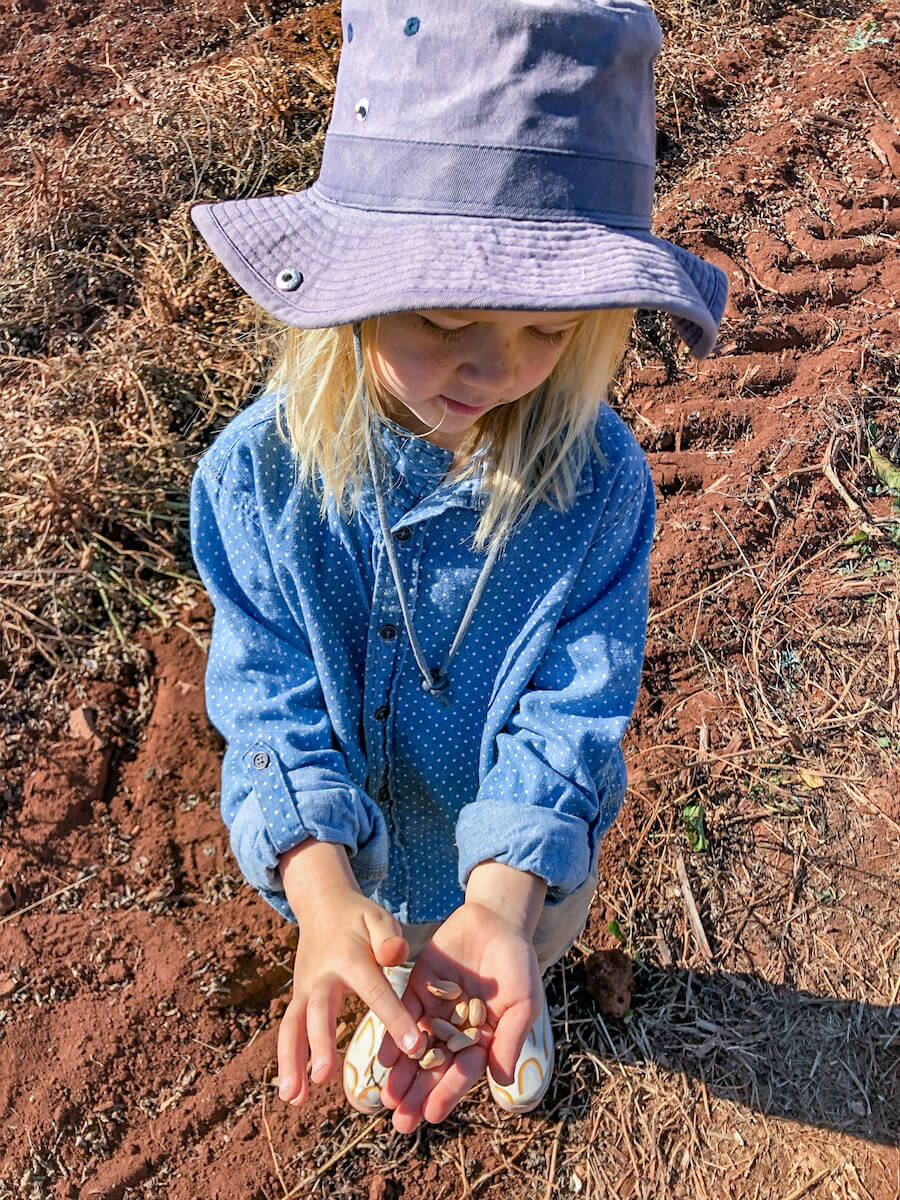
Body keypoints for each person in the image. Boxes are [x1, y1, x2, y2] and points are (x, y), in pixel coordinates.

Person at [188, 0, 727, 1134]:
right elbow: (272, 703)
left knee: (505, 962)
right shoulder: (259, 485)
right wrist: (323, 893)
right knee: (384, 956)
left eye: (550, 335)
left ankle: (512, 980)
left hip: (521, 863)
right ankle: (395, 974)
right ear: (346, 291)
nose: (493, 367)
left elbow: (573, 707)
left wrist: (501, 897)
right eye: (444, 316)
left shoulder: (599, 487)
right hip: (360, 852)